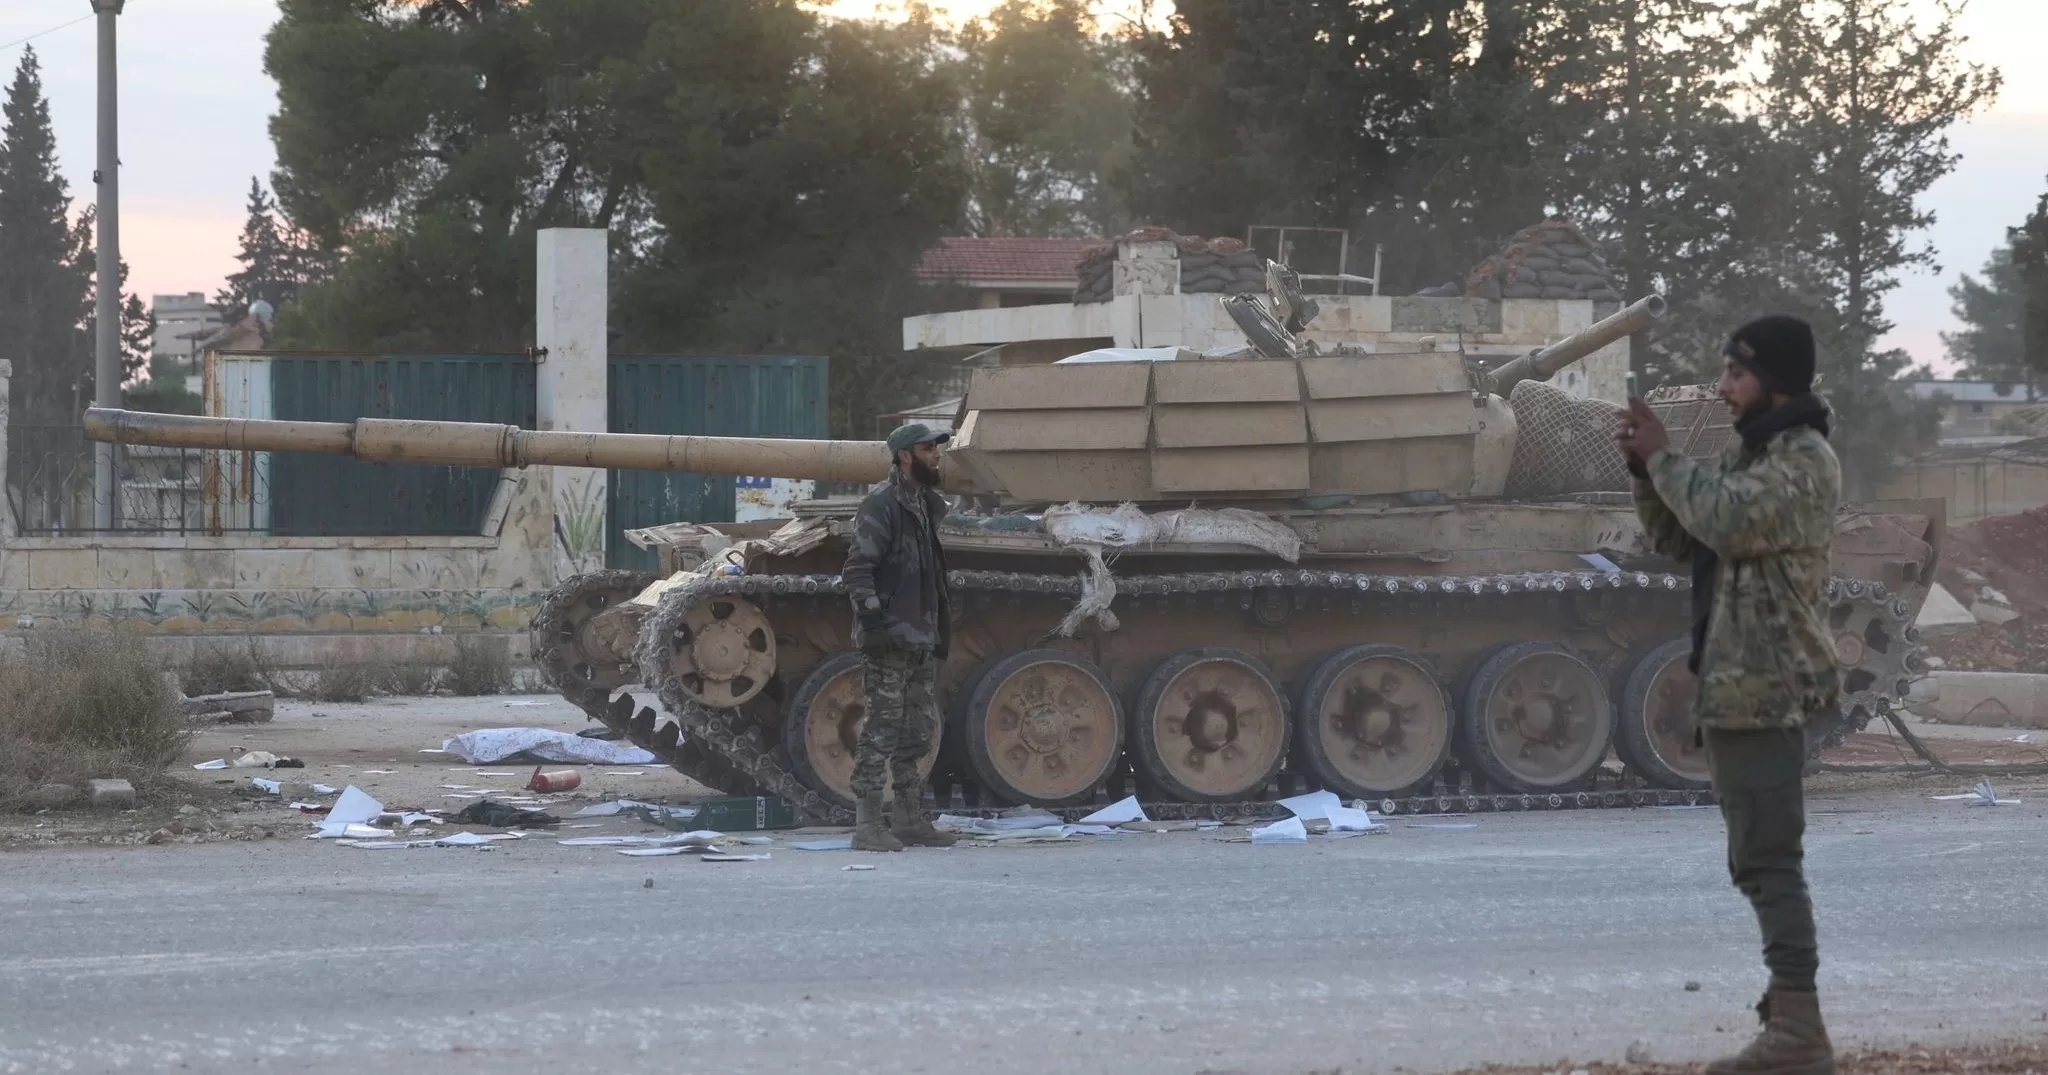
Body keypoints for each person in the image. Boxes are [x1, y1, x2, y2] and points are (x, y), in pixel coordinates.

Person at [1616, 315, 1841, 1075]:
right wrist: (1649, 474)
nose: (1723, 387)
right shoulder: (1760, 453)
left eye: (1736, 374)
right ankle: (1789, 1021)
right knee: (1758, 856)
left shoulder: (1803, 459)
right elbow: (1687, 537)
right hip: (1739, 681)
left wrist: (1666, 460)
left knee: (1768, 859)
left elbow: (1727, 519)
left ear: (1775, 379)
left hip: (1766, 683)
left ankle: (1798, 1033)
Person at [841, 422, 959, 853]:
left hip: (920, 636)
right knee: (881, 728)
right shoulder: (882, 504)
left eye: (936, 448)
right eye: (929, 448)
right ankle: (868, 824)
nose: (937, 455)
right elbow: (857, 568)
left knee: (917, 730)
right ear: (906, 456)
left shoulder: (923, 504)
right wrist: (873, 620)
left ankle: (909, 819)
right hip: (891, 637)